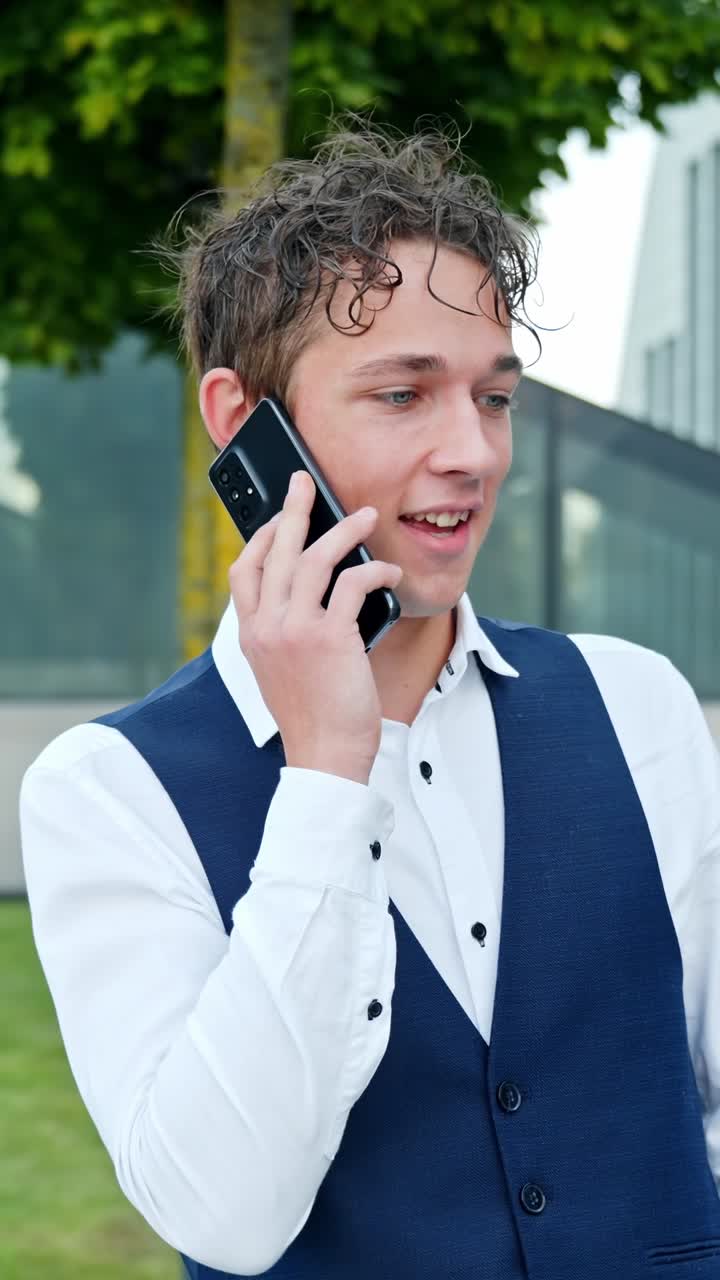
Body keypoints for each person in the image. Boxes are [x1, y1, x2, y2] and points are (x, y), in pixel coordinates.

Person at [20, 120, 720, 1280]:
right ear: (244, 423)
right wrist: (327, 772)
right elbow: (229, 1215)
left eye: (493, 398)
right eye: (404, 394)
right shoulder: (108, 792)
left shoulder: (636, 704)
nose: (475, 453)